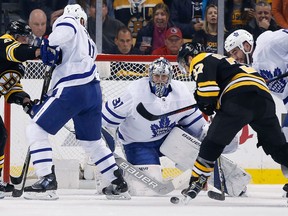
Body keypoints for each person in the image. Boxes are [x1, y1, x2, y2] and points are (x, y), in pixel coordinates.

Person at [23, 4, 129, 200]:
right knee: (92, 141)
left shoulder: (68, 22)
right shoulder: (89, 41)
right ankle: (117, 181)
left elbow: (61, 34)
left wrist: (47, 44)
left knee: (35, 129)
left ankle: (46, 181)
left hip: (73, 88)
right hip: (93, 91)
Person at [102, 57, 244, 196]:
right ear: (150, 76)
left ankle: (231, 184)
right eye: (156, 76)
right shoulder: (135, 92)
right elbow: (105, 119)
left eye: (164, 77)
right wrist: (99, 145)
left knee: (200, 152)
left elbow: (197, 128)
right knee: (147, 191)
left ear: (170, 77)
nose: (160, 80)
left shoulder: (181, 92)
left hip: (169, 138)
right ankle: (122, 174)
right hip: (138, 143)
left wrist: (216, 137)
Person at [176, 42, 288, 201]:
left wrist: (205, 103)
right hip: (264, 100)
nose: (186, 67)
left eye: (183, 63)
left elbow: (208, 92)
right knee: (278, 148)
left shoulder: (199, 58)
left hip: (239, 98)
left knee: (212, 143)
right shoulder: (225, 61)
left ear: (188, 57)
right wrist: (210, 103)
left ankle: (196, 182)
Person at [0, 20, 41, 199]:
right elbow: (16, 51)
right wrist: (39, 52)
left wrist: (25, 101)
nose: (28, 41)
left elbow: (11, 88)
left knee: (0, 135)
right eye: (25, 37)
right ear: (16, 36)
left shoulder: (18, 63)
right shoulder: (4, 42)